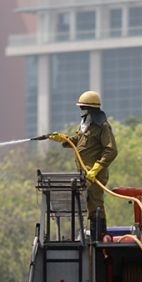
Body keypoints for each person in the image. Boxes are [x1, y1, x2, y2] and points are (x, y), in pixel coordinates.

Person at [48, 90, 118, 240]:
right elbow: (77, 142)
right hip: (84, 174)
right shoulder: (85, 125)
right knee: (86, 205)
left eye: (83, 107)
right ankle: (91, 237)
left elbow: (111, 150)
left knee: (95, 205)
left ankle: (98, 239)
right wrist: (63, 139)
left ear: (91, 109)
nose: (82, 110)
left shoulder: (103, 127)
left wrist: (96, 169)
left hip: (95, 175)